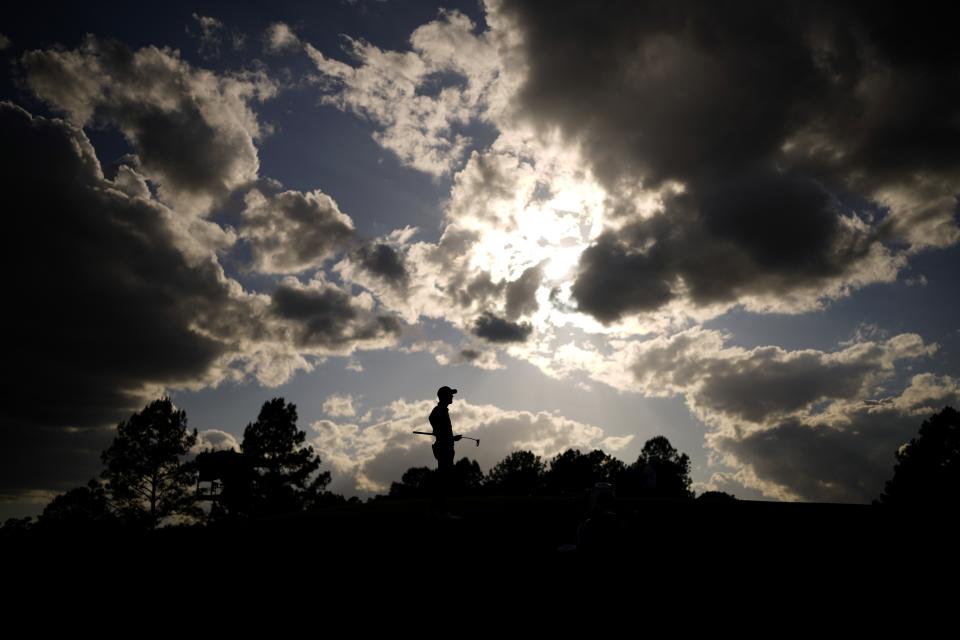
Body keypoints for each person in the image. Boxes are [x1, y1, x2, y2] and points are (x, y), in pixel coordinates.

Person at [428, 385, 462, 515]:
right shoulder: (439, 410)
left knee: (444, 479)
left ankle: (438, 510)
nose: (452, 396)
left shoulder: (443, 410)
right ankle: (440, 511)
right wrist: (437, 430)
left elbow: (441, 430)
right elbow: (433, 419)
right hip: (443, 448)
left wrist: (452, 438)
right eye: (450, 394)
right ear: (445, 396)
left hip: (446, 445)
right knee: (443, 479)